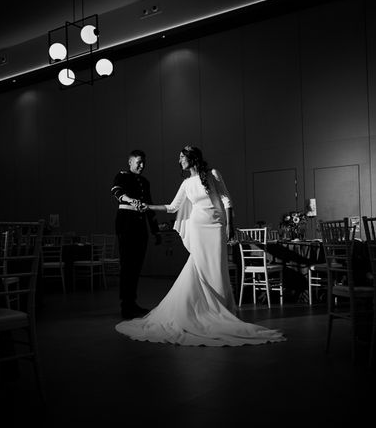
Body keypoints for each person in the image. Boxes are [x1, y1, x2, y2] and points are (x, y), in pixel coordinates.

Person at [115, 146, 286, 346]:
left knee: (218, 268)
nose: (179, 161)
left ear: (192, 157)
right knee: (200, 266)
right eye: (179, 158)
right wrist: (147, 206)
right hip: (197, 227)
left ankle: (222, 309)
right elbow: (172, 207)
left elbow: (226, 199)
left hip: (215, 227)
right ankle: (205, 311)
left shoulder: (212, 174)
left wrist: (230, 225)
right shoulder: (186, 183)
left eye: (182, 157)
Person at [111, 149, 161, 319]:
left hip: (140, 227)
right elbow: (116, 191)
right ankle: (126, 306)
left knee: (136, 267)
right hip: (126, 225)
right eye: (139, 162)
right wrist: (130, 199)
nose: (142, 165)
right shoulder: (122, 176)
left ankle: (132, 303)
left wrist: (155, 231)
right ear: (130, 162)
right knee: (127, 266)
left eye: (144, 162)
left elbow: (149, 206)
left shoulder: (145, 182)